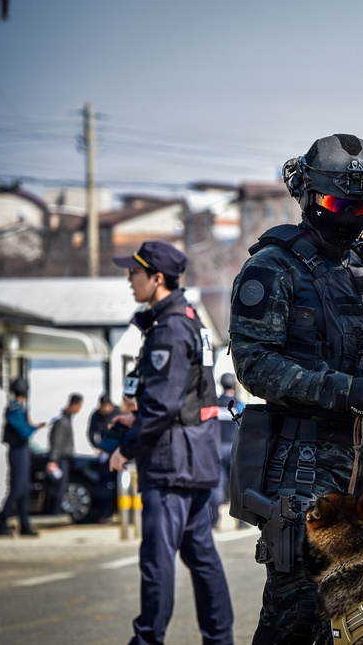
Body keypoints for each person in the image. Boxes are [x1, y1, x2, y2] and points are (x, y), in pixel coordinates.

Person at [228, 133, 363, 644]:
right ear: (309, 196)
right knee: (296, 615)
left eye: (362, 205)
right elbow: (254, 364)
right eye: (338, 204)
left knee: (362, 617)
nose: (350, 216)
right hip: (305, 470)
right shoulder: (272, 268)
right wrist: (339, 389)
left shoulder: (360, 265)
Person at [109, 240, 234, 645]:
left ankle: (148, 639)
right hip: (193, 457)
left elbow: (163, 405)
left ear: (157, 278)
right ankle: (220, 639)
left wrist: (127, 447)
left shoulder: (170, 329)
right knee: (201, 555)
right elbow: (183, 399)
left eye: (135, 272)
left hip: (171, 463)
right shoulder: (189, 320)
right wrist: (137, 416)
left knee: (157, 559)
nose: (130, 279)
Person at [0, 377, 46, 537]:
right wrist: (33, 427)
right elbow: (24, 432)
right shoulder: (15, 409)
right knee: (17, 488)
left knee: (24, 489)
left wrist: (31, 426)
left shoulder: (18, 408)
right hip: (17, 451)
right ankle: (2, 522)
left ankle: (25, 524)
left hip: (22, 450)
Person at [210, 372, 243, 528]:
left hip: (217, 449)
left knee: (217, 484)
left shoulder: (215, 405)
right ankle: (241, 520)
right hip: (234, 449)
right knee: (237, 483)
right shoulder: (239, 404)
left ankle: (215, 519)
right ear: (234, 386)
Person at [46, 392, 83, 515]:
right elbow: (57, 441)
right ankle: (55, 513)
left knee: (61, 487)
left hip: (63, 459)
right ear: (75, 404)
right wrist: (53, 460)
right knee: (59, 487)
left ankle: (56, 512)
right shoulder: (62, 421)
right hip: (61, 459)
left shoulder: (66, 419)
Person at [87, 393, 120, 522]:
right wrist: (98, 447)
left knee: (120, 483)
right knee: (105, 483)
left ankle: (118, 510)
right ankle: (105, 512)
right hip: (105, 453)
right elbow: (91, 433)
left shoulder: (118, 412)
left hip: (119, 451)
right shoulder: (96, 415)